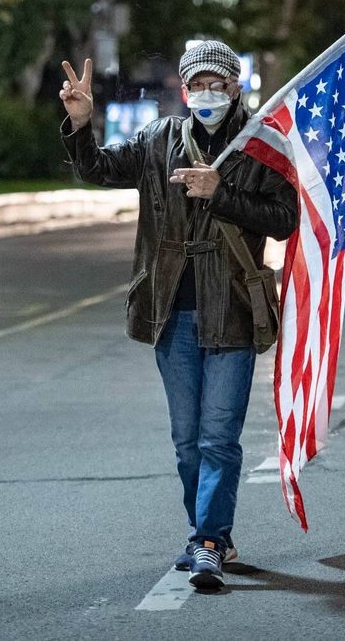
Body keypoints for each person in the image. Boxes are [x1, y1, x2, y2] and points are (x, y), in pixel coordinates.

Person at [59, 41, 297, 590]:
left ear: (235, 87)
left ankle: (209, 541)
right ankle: (207, 531)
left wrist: (221, 192)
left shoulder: (260, 144)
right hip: (172, 310)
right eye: (197, 84)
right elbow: (98, 170)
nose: (206, 93)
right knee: (187, 440)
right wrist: (80, 123)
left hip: (234, 309)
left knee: (218, 437)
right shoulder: (159, 139)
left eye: (217, 83)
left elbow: (283, 218)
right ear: (184, 89)